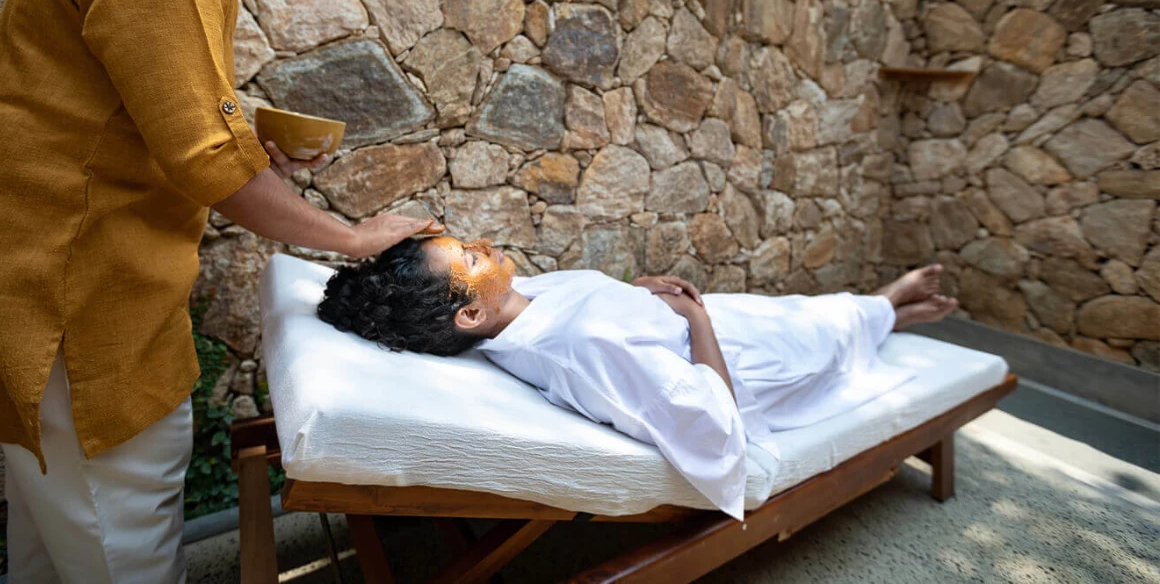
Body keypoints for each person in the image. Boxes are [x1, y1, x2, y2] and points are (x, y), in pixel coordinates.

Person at [0, 0, 442, 581]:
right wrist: (357, 239)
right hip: (71, 292)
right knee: (124, 541)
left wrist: (251, 147)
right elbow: (206, 161)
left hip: (62, 274)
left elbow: (147, 116)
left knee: (56, 542)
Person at [317, 236, 959, 519]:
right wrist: (695, 318)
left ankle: (883, 311)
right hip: (747, 356)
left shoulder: (516, 310)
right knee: (824, 330)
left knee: (808, 311)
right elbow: (718, 431)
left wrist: (636, 292)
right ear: (470, 312)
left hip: (719, 320)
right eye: (471, 256)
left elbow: (588, 311)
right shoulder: (582, 349)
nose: (485, 243)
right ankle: (889, 306)